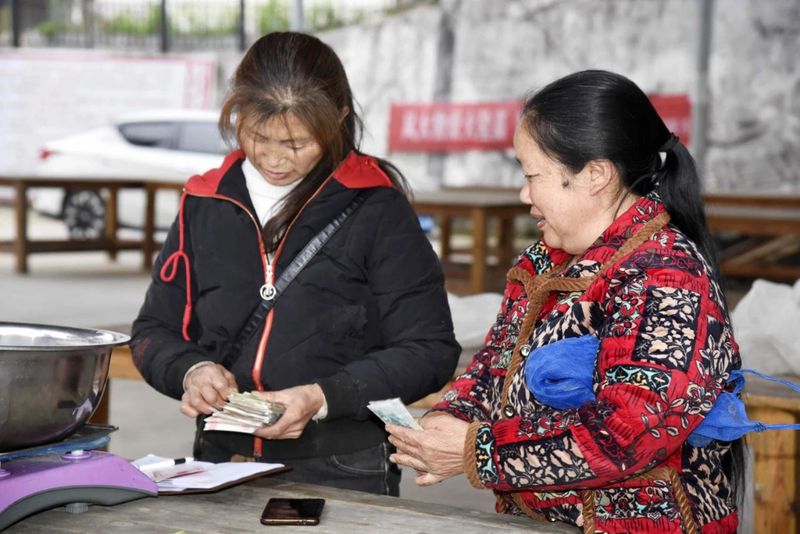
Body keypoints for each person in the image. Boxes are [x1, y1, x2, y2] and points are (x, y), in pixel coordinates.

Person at [387, 70, 742, 533]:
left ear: (594, 174)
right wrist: (448, 421)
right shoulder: (546, 260)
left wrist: (478, 450)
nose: (524, 193)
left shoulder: (667, 275)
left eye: (532, 174)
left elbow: (628, 432)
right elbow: (493, 366)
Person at [130, 31, 460, 496]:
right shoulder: (206, 199)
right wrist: (190, 371)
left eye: (296, 142)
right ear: (236, 111)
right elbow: (151, 331)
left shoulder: (375, 207)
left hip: (343, 465)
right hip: (223, 459)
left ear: (337, 120)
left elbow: (430, 349)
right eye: (257, 136)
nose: (274, 158)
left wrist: (322, 397)